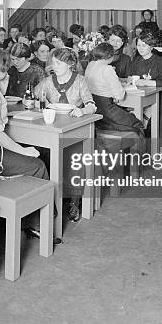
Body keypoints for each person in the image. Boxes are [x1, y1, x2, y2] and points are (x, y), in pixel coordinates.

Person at [0, 48, 55, 241]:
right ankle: (36, 224)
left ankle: (28, 218)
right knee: (37, 165)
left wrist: (3, 87)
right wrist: (24, 150)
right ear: (2, 66)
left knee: (32, 157)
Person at [34, 47, 97, 222]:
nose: (54, 66)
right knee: (42, 154)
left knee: (75, 159)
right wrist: (42, 101)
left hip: (75, 130)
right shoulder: (48, 81)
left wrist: (82, 111)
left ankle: (73, 201)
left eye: (58, 63)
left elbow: (91, 104)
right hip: (53, 130)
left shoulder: (80, 81)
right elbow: (34, 96)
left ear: (70, 64)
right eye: (53, 62)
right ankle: (48, 201)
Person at [85, 43, 144, 135]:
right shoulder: (108, 69)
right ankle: (140, 149)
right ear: (111, 56)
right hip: (106, 110)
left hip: (93, 109)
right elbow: (120, 95)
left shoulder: (91, 64)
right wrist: (124, 85)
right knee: (138, 124)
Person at [129, 30, 162, 143]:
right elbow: (130, 76)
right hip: (139, 95)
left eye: (144, 45)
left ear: (151, 47)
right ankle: (136, 142)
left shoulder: (158, 60)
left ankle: (152, 144)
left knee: (154, 114)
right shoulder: (136, 60)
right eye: (138, 45)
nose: (140, 48)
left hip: (157, 97)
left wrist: (146, 82)